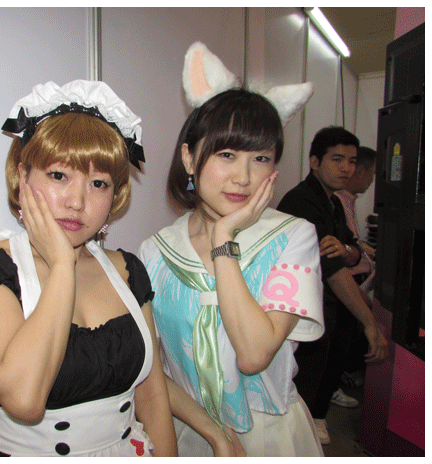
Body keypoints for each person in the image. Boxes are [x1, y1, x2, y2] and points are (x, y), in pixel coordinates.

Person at [0, 80, 177, 457]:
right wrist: (63, 266)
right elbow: (25, 401)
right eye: (58, 176)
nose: (77, 201)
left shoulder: (127, 269)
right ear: (23, 177)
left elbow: (151, 397)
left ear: (115, 195)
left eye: (98, 183)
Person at [139, 42, 324, 457]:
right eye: (227, 154)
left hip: (270, 437)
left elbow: (254, 354)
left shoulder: (292, 237)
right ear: (189, 158)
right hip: (189, 431)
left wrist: (224, 240)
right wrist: (212, 433)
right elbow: (151, 369)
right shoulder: (155, 253)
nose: (243, 177)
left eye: (260, 158)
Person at [277, 127, 388, 445]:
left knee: (329, 365)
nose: (346, 168)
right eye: (337, 159)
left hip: (329, 306)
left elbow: (353, 251)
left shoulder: (334, 204)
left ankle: (315, 420)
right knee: (305, 382)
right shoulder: (302, 202)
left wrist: (349, 250)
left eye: (351, 161)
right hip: (303, 311)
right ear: (314, 162)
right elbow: (334, 269)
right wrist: (370, 323)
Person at [335, 145, 377, 389]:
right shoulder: (339, 201)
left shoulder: (348, 201)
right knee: (343, 340)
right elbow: (343, 249)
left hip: (354, 277)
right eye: (372, 174)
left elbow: (350, 241)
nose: (371, 181)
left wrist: (361, 249)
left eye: (351, 162)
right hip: (346, 280)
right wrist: (356, 251)